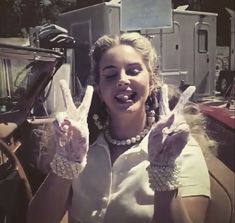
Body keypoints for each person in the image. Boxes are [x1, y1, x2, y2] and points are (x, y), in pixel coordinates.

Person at [27, 32, 214, 223]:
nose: (122, 80)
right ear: (99, 89)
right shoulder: (78, 144)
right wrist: (67, 162)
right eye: (110, 74)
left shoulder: (179, 148)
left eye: (133, 71)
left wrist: (164, 172)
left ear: (151, 83)